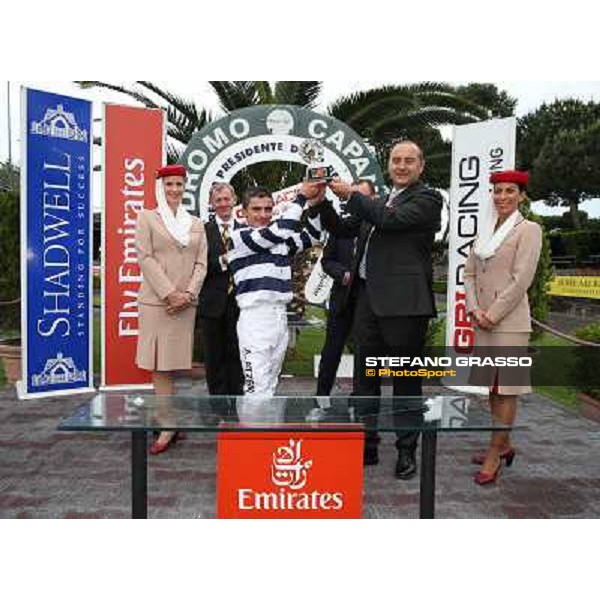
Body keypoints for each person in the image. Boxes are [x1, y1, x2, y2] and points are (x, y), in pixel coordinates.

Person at [311, 141, 442, 479]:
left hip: (405, 306)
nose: (401, 166)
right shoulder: (380, 200)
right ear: (388, 164)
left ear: (421, 166)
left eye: (408, 161)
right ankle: (366, 444)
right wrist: (322, 199)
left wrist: (352, 194)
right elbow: (342, 229)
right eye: (396, 160)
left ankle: (406, 451)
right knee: (364, 379)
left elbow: (390, 220)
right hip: (366, 300)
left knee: (405, 382)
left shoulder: (427, 199)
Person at [464, 169, 542, 485]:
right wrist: (473, 308)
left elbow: (521, 279)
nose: (502, 197)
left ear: (521, 195)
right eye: (497, 191)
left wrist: (492, 314)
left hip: (507, 322)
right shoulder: (485, 230)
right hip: (481, 319)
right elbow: (469, 274)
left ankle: (495, 453)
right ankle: (503, 444)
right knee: (493, 388)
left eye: (510, 191)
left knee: (506, 389)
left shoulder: (529, 229)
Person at [135, 164, 207, 455]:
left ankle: (168, 419)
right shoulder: (146, 217)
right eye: (169, 185)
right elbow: (145, 258)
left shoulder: (196, 223)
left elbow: (202, 263)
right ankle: (167, 423)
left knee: (172, 364)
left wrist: (188, 293)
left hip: (186, 304)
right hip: (157, 303)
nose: (174, 190)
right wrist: (169, 293)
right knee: (159, 364)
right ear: (160, 188)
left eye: (179, 184)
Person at [227, 183, 324, 398]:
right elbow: (283, 227)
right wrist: (300, 198)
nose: (263, 214)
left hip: (279, 316)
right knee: (256, 388)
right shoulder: (239, 237)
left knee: (270, 384)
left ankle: (267, 431)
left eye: (268, 209)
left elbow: (313, 236)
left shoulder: (280, 240)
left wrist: (316, 205)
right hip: (255, 319)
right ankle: (253, 432)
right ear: (243, 212)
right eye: (256, 209)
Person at [316, 179, 376, 396]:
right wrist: (343, 275)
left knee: (365, 353)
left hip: (368, 302)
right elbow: (327, 260)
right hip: (342, 299)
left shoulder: (379, 227)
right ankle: (321, 396)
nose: (356, 200)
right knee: (331, 351)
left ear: (372, 199)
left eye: (361, 196)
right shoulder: (342, 227)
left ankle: (359, 399)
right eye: (353, 194)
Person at [197, 183, 244, 414]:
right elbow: (199, 265)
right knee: (214, 359)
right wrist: (227, 259)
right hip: (211, 305)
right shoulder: (201, 231)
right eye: (219, 200)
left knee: (237, 356)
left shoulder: (246, 229)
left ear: (234, 200)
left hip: (241, 305)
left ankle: (237, 405)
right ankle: (217, 408)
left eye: (227, 199)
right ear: (212, 204)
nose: (223, 204)